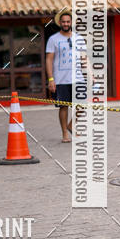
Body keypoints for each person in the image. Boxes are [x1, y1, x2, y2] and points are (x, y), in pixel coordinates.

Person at [46, 9, 87, 142]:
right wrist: (51, 79)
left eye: (68, 21)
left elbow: (84, 59)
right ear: (60, 23)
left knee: (83, 104)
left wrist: (91, 76)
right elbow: (49, 60)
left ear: (71, 22)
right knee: (64, 106)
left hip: (78, 78)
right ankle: (65, 133)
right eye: (63, 21)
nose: (65, 23)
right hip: (60, 79)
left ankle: (71, 125)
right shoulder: (53, 39)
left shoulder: (79, 38)